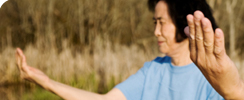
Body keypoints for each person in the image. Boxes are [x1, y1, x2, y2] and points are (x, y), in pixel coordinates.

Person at [15, 0, 224, 99]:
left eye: (161, 22)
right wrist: (46, 82)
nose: (156, 32)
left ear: (184, 22)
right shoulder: (152, 71)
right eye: (154, 23)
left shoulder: (211, 77)